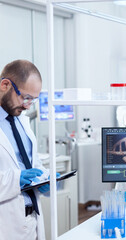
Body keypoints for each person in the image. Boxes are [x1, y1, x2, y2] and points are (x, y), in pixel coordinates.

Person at [0, 60, 54, 239]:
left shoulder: (21, 120)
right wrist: (16, 179)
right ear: (5, 85)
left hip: (32, 218)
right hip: (5, 223)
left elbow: (31, 162)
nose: (27, 105)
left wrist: (43, 178)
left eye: (33, 99)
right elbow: (16, 173)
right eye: (26, 97)